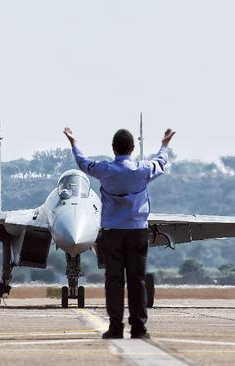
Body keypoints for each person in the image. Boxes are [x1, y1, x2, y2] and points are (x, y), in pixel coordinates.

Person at [63, 126, 175, 339]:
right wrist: (165, 144)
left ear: (113, 149)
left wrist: (74, 143)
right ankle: (139, 328)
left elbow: (83, 163)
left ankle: (115, 327)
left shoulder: (105, 170)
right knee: (137, 281)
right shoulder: (143, 170)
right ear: (132, 149)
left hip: (113, 233)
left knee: (113, 280)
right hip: (137, 233)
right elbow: (161, 162)